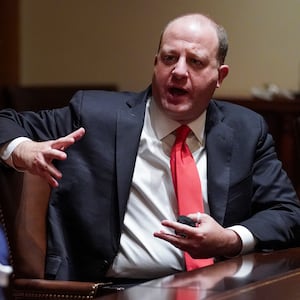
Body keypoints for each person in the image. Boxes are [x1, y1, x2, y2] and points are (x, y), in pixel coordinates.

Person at [0, 13, 300, 284]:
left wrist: (230, 239)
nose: (179, 71)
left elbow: (287, 213)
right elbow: (6, 121)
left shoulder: (246, 129)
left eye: (195, 61)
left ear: (219, 76)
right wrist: (22, 148)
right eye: (169, 58)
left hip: (218, 287)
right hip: (115, 289)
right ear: (156, 62)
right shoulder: (95, 115)